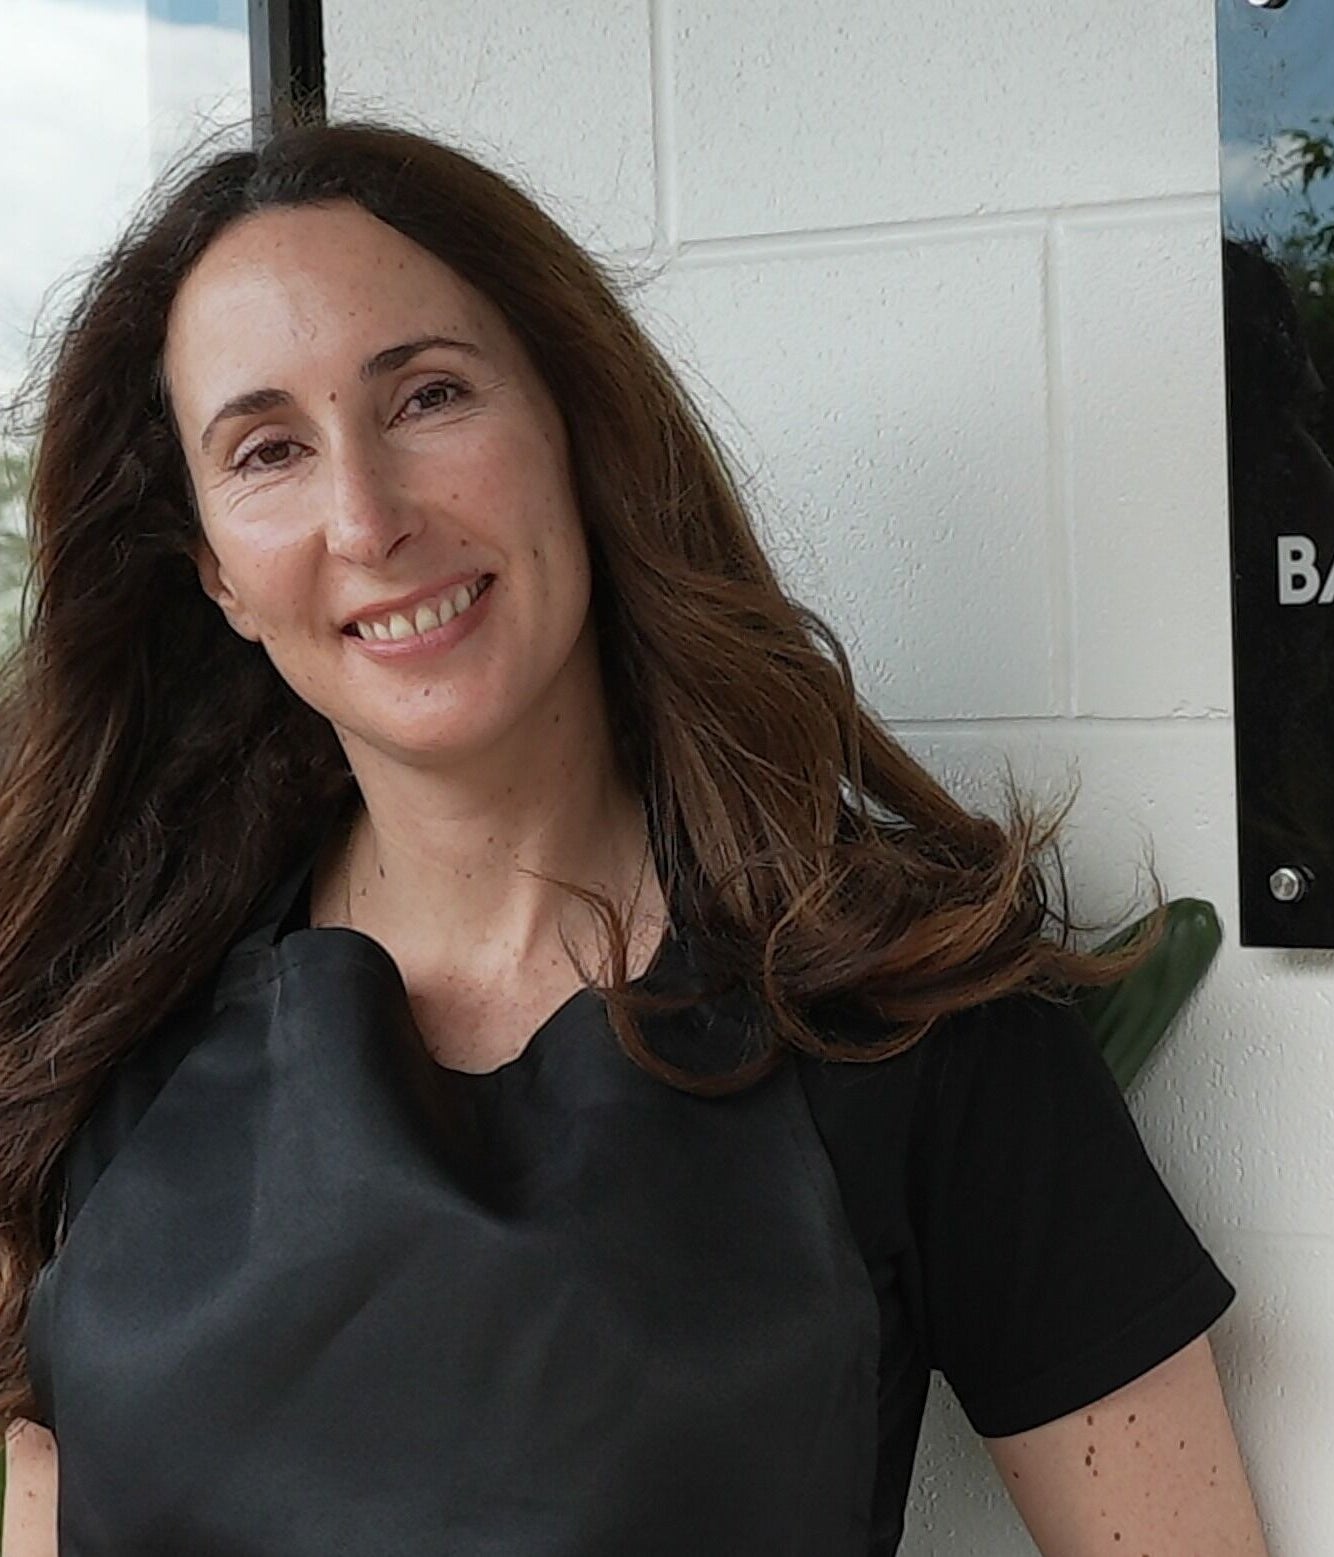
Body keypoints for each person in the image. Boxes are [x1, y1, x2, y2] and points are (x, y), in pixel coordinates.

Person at [0, 122, 1268, 1555]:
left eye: (425, 396)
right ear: (217, 573)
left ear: (574, 433)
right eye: (270, 449)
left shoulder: (903, 1014)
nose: (366, 515)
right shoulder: (87, 1032)